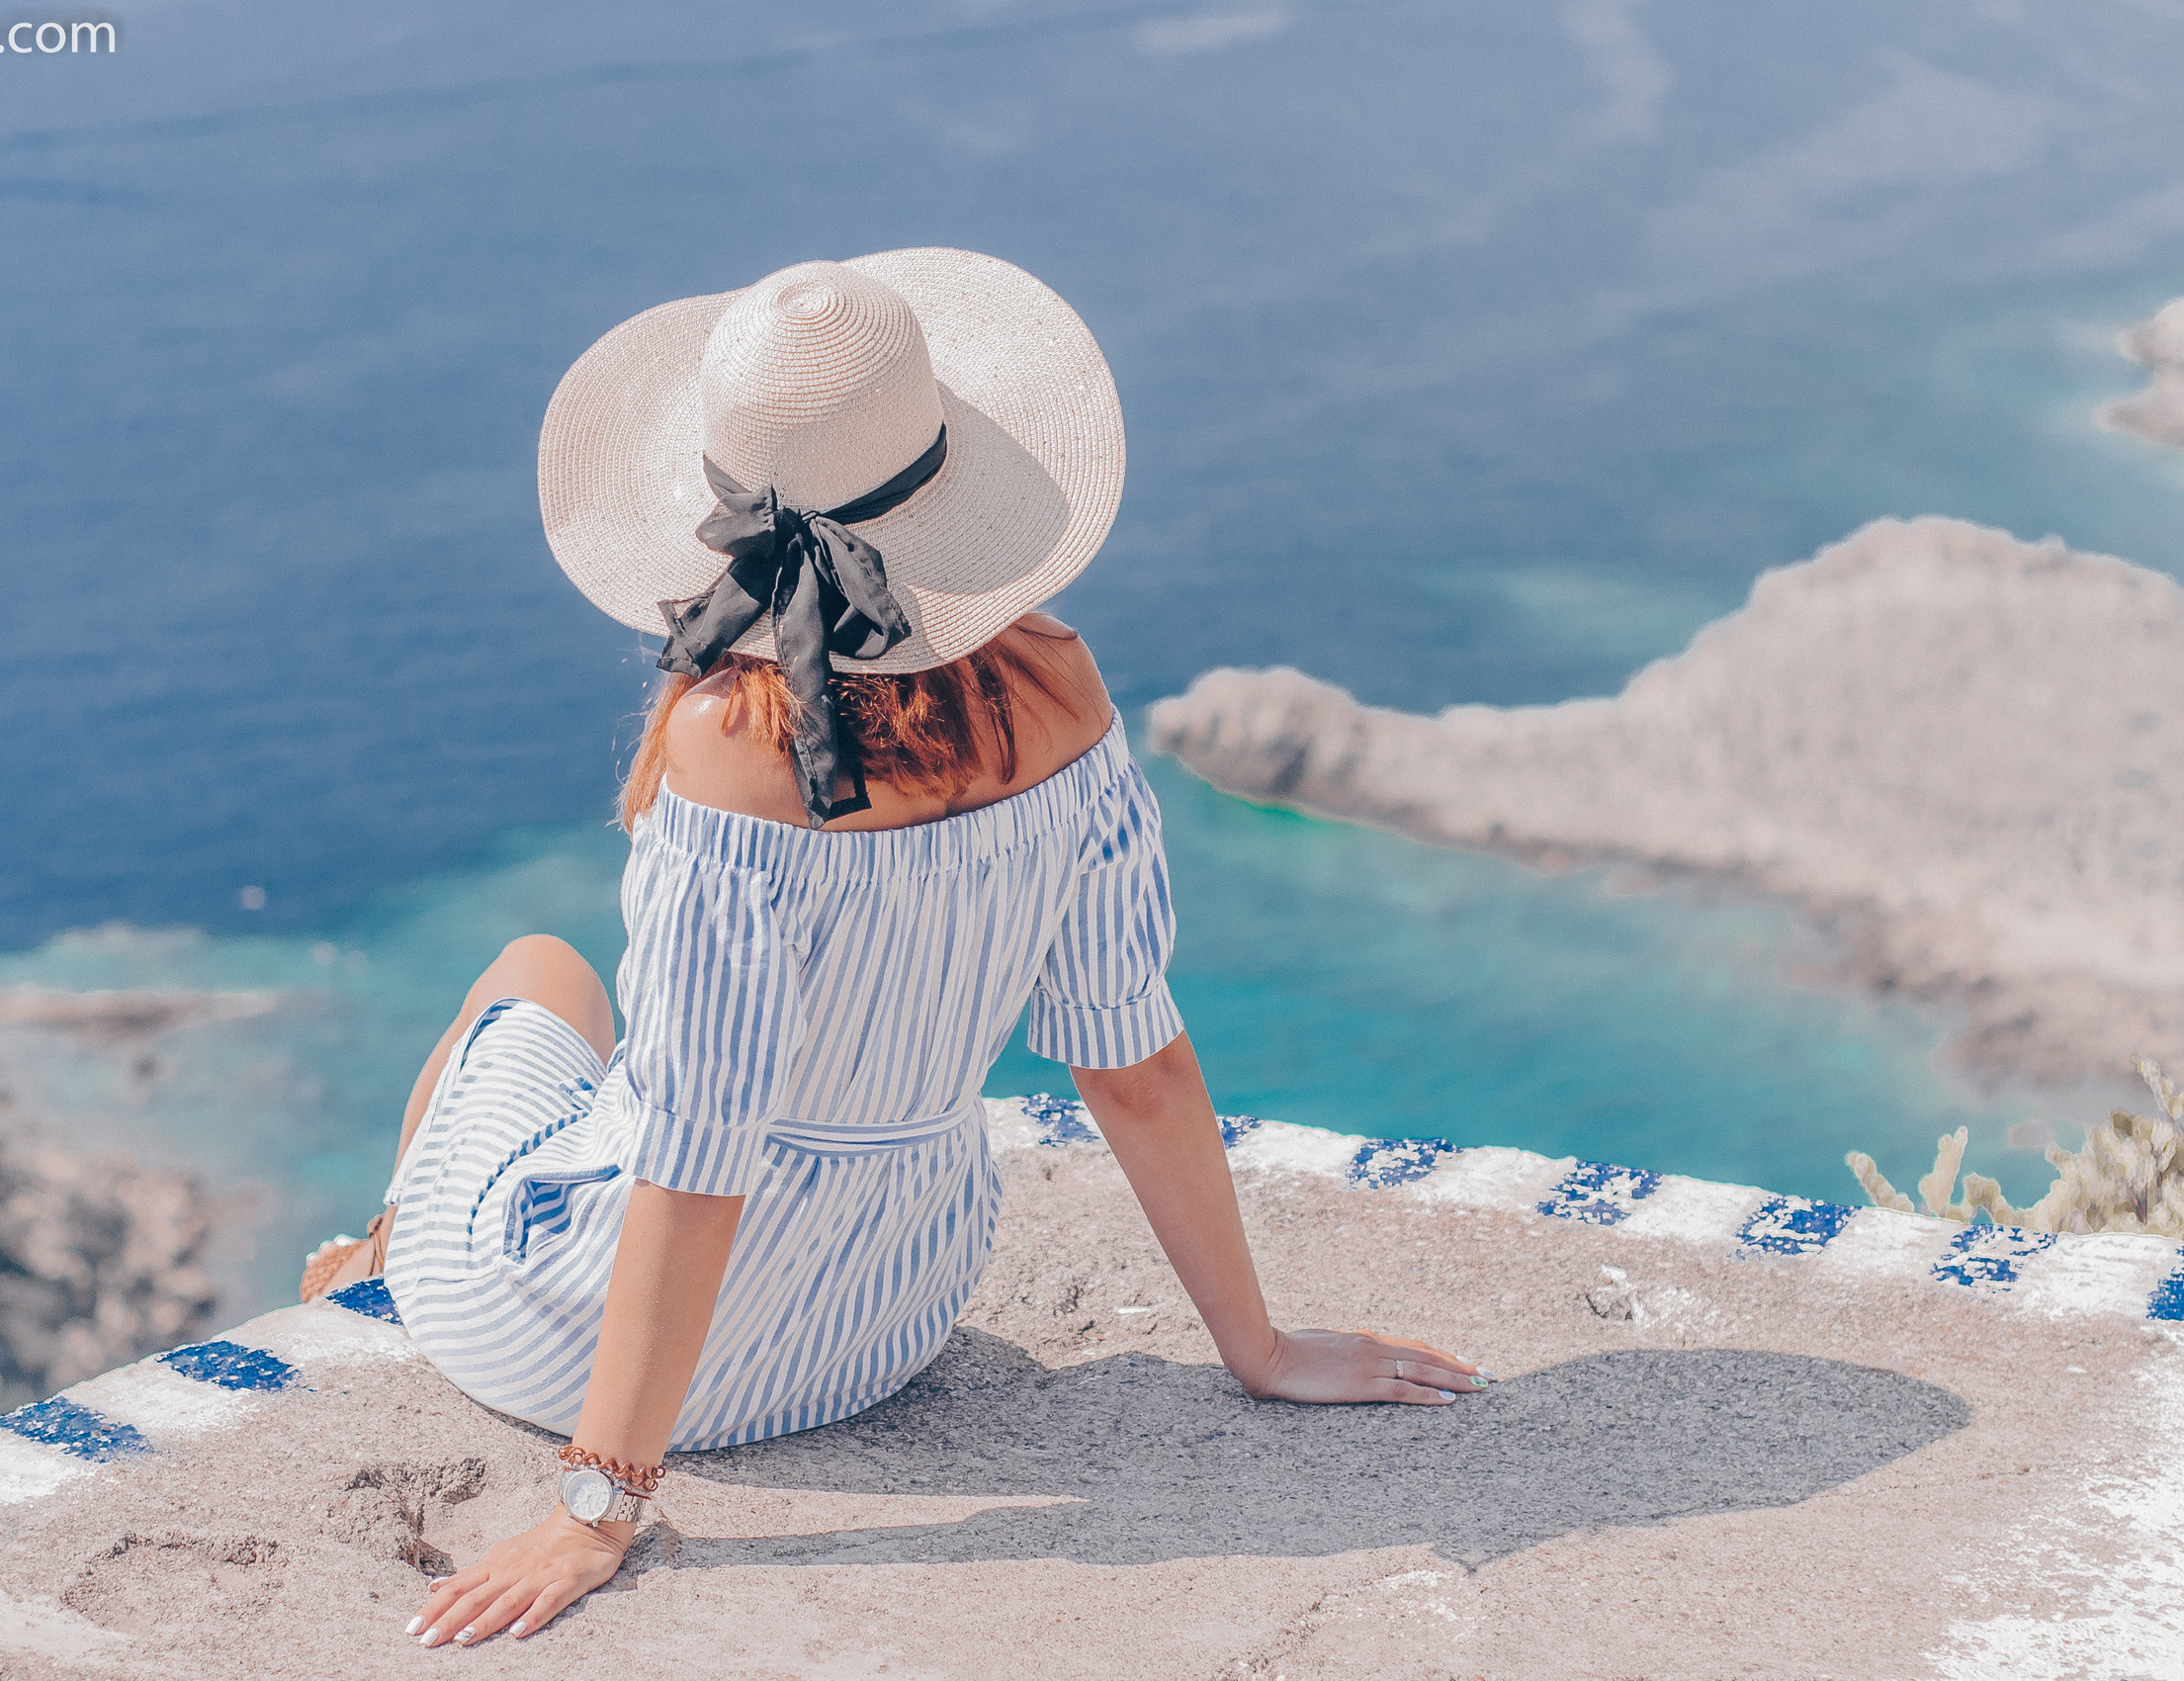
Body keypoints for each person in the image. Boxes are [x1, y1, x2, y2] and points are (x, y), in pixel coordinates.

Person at [303, 249, 1486, 1648]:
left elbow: (697, 1152)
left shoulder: (727, 751)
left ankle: (383, 1257)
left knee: (536, 973)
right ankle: (384, 1254)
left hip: (574, 1339)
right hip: (880, 1323)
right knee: (595, 1039)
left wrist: (596, 1507)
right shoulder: (1065, 689)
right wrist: (1260, 1349)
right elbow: (1136, 1065)